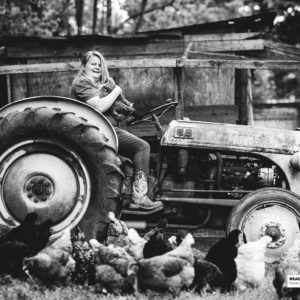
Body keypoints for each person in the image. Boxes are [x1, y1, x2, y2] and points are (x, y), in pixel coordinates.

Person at [70, 50, 163, 211]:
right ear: (83, 66)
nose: (97, 67)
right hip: (98, 132)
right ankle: (140, 197)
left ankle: (129, 198)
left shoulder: (99, 85)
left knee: (128, 162)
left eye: (100, 64)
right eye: (93, 64)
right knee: (142, 147)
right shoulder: (81, 83)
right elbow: (98, 106)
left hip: (106, 130)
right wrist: (117, 91)